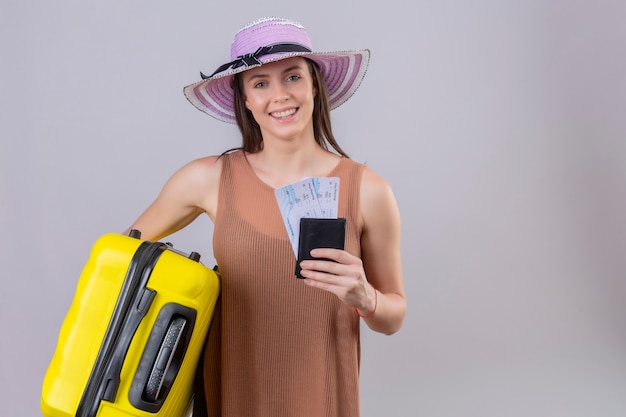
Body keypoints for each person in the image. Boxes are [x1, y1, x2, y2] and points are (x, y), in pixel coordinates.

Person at [125, 16, 406, 417]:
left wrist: (365, 296)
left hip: (321, 396)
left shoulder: (369, 191)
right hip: (231, 391)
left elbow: (393, 316)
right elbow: (122, 258)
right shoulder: (207, 178)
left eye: (292, 77)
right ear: (245, 99)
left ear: (314, 85)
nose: (280, 95)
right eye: (260, 83)